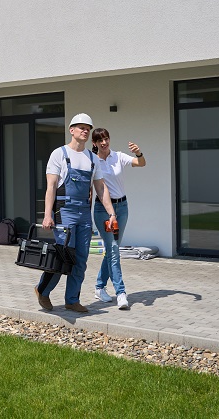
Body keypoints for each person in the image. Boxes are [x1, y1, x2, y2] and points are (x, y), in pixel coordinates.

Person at [34, 113, 116, 313]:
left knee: (81, 258)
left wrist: (111, 213)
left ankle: (72, 299)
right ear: (71, 130)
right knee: (64, 255)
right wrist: (47, 215)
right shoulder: (59, 154)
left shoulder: (92, 158)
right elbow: (51, 187)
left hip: (84, 213)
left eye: (88, 127)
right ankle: (43, 290)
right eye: (81, 127)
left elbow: (101, 188)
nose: (85, 130)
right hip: (64, 211)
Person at [91, 127, 146, 310]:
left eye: (106, 139)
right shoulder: (93, 161)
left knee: (111, 250)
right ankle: (121, 293)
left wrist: (138, 152)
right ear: (95, 143)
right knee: (113, 250)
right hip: (102, 211)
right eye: (100, 140)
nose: (104, 143)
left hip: (122, 208)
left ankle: (99, 287)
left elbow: (141, 163)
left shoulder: (118, 156)